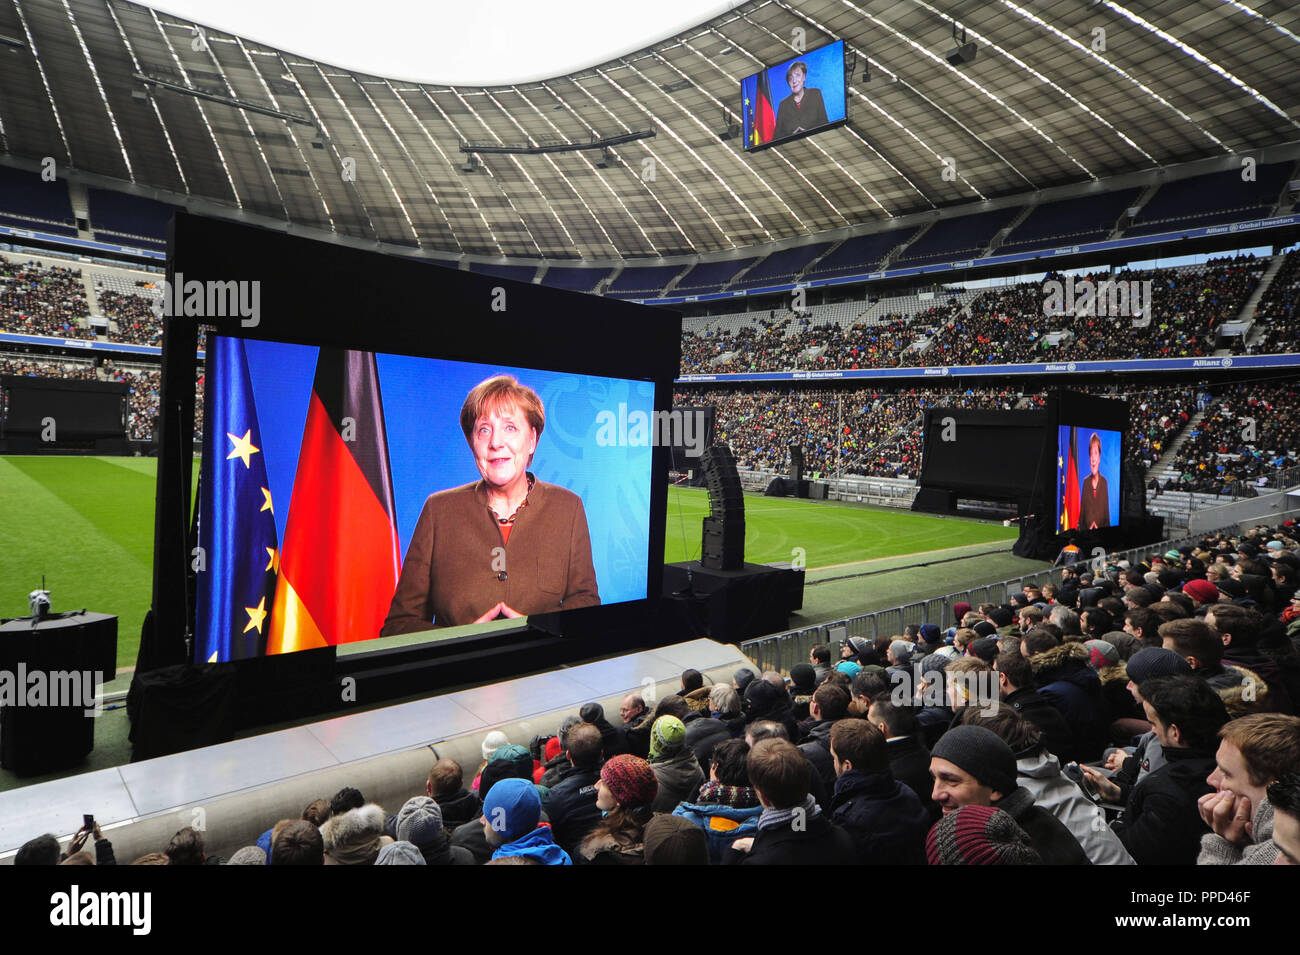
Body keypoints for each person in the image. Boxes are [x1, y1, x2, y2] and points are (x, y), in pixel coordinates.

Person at [381, 374, 599, 633]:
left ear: (532, 440)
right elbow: (398, 626)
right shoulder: (438, 511)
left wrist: (535, 629)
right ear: (472, 443)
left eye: (510, 427)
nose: (495, 442)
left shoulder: (568, 507)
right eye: (484, 430)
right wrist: (462, 639)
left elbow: (587, 605)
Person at [723, 738, 855, 865]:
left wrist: (736, 849)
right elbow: (799, 833)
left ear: (763, 798)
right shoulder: (844, 839)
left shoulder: (762, 860)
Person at [576, 754, 657, 865]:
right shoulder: (661, 827)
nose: (596, 786)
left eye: (604, 783)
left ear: (619, 798)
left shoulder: (594, 853)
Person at [772, 60, 829, 141]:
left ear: (804, 77)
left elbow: (825, 123)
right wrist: (792, 135)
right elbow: (776, 137)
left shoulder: (815, 94)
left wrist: (808, 132)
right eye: (790, 78)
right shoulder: (783, 104)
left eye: (797, 75)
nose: (794, 81)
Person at [1078, 432, 1110, 530]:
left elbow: (1106, 515)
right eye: (1091, 454)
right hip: (1086, 533)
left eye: (1095, 453)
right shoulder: (1086, 482)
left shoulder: (1104, 482)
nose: (1093, 458)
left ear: (1099, 458)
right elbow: (1082, 515)